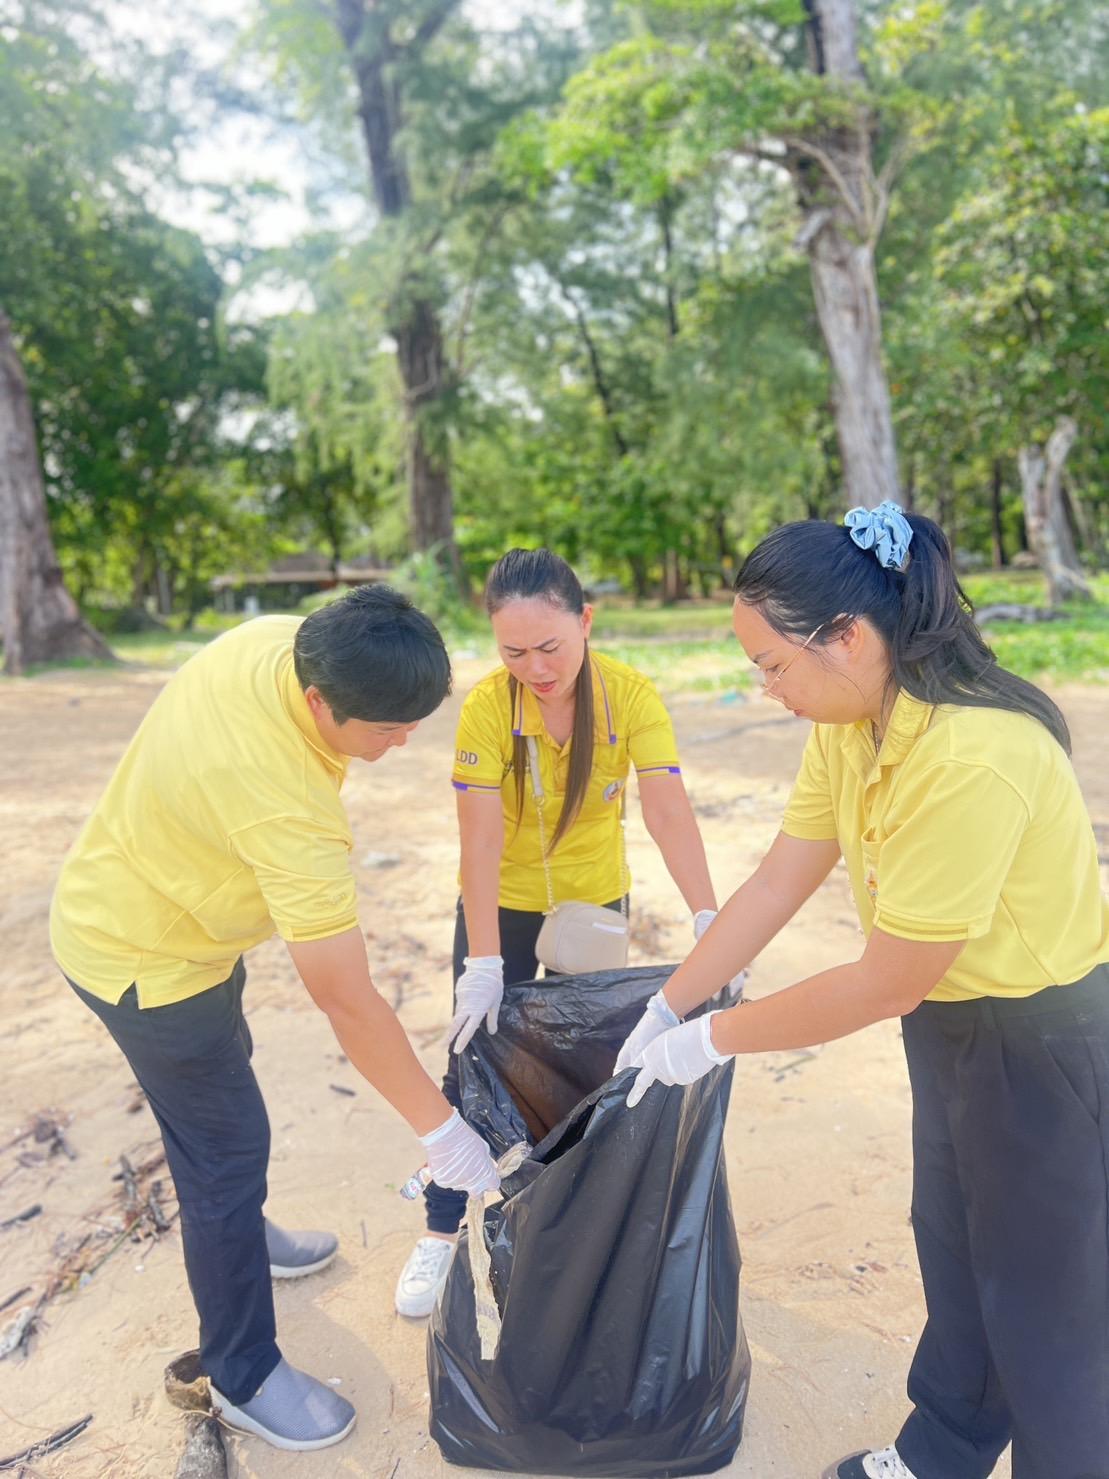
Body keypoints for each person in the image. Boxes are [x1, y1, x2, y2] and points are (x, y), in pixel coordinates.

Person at [615, 504, 1109, 1479]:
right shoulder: (854, 723)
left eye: (771, 665)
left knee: (1045, 1296)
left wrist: (710, 1040)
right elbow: (776, 880)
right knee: (953, 1245)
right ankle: (944, 1449)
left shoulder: (971, 753)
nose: (766, 690)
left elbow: (885, 978)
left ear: (845, 636)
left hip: (1040, 1041)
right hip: (948, 1023)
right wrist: (668, 1004)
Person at [50, 586, 500, 1454]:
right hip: (144, 962)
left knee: (219, 1095)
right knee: (225, 1151)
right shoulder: (288, 806)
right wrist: (440, 1130)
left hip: (163, 911)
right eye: (387, 729)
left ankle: (244, 1236)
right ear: (320, 702)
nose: (402, 742)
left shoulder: (278, 641)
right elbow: (345, 997)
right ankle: (242, 1371)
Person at [394, 547, 741, 1316]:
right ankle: (441, 1228)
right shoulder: (489, 707)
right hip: (502, 904)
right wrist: (484, 959)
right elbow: (479, 838)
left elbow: (666, 808)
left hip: (593, 906)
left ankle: (561, 1227)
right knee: (473, 1052)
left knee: (585, 1066)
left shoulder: (629, 695)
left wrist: (708, 915)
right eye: (513, 652)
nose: (535, 668)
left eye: (549, 646)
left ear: (585, 620)